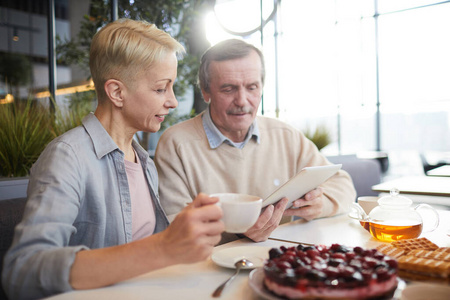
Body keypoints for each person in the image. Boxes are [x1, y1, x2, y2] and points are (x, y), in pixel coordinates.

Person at [1, 19, 224, 300]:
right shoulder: (67, 157)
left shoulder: (145, 163)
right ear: (117, 92)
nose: (172, 101)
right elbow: (23, 272)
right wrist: (163, 247)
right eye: (160, 89)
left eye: (171, 88)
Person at [154, 38, 356, 244]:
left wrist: (321, 204)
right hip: (209, 268)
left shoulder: (284, 136)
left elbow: (343, 184)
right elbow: (174, 228)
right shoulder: (176, 144)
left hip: (279, 262)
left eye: (251, 87)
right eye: (228, 89)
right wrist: (240, 232)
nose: (242, 101)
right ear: (206, 91)